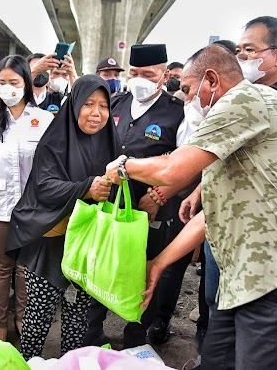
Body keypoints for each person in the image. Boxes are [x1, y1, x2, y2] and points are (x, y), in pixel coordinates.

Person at [107, 43, 277, 369]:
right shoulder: (231, 134)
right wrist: (158, 264)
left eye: (187, 89)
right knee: (216, 360)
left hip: (276, 278)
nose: (185, 99)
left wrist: (124, 166)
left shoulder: (245, 100)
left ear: (211, 80)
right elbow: (211, 216)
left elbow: (174, 169)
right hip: (240, 281)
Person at [6, 74, 118, 359]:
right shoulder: (54, 141)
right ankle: (27, 363)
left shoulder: (111, 143)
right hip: (51, 242)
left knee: (79, 317)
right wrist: (86, 187)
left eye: (103, 106)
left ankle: (71, 364)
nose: (96, 113)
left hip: (88, 244)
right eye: (89, 104)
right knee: (38, 315)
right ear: (75, 104)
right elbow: (44, 186)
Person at [86, 44, 190, 348]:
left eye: (149, 74)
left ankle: (135, 339)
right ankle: (92, 334)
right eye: (135, 73)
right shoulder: (114, 104)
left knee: (144, 272)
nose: (140, 79)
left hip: (150, 210)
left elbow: (186, 164)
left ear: (164, 75)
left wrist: (159, 195)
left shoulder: (178, 112)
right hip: (109, 206)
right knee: (101, 265)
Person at [0, 55, 53, 341]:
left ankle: (22, 319)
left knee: (24, 268)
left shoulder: (43, 120)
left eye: (14, 82)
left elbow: (48, 167)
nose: (8, 88)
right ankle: (1, 322)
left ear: (26, 84)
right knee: (1, 267)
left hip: (31, 210)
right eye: (2, 82)